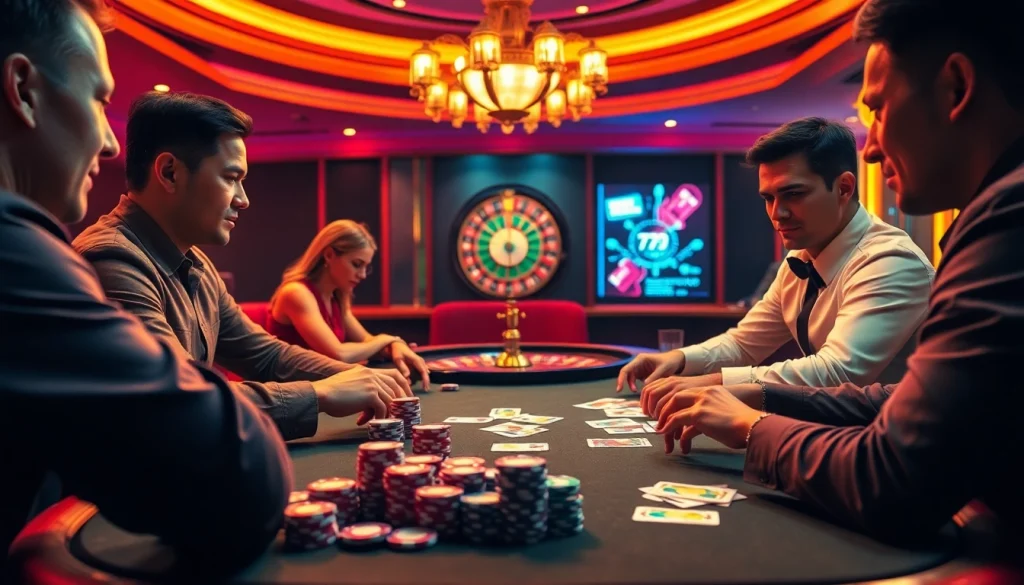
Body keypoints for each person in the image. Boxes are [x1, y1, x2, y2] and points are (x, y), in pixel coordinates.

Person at [651, 0, 1024, 545]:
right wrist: (709, 375)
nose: (871, 149)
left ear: (956, 87)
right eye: (768, 198)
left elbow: (892, 473)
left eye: (878, 111)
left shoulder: (999, 225)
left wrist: (748, 423)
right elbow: (889, 397)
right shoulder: (803, 259)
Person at [0, 0, 290, 576]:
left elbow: (254, 359)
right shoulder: (28, 255)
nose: (110, 143)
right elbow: (236, 473)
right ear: (23, 89)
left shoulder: (195, 265)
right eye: (98, 100)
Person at [73, 91, 411, 442]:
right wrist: (320, 395)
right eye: (231, 178)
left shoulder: (196, 263)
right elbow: (181, 400)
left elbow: (266, 356)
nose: (243, 199)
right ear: (170, 172)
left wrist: (361, 379)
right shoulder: (112, 259)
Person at [617, 117, 934, 404]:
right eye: (768, 198)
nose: (776, 214)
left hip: (896, 452)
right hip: (837, 436)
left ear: (844, 188)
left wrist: (713, 383)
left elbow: (837, 373)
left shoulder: (891, 261)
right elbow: (743, 345)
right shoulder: (799, 258)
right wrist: (679, 359)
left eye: (793, 194)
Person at [266, 219, 432, 388]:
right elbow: (338, 353)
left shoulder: (337, 296)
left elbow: (367, 340)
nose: (363, 275)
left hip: (319, 391)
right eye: (357, 264)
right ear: (329, 255)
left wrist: (395, 346)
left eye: (366, 267)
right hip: (287, 397)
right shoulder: (296, 293)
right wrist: (387, 339)